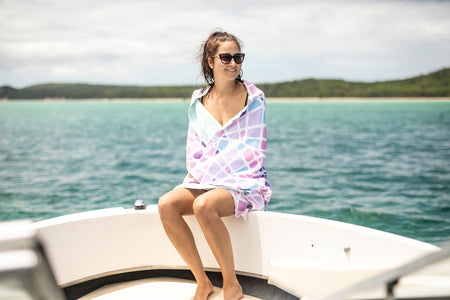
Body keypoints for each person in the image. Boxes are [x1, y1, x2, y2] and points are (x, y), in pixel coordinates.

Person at [158, 30, 271, 300]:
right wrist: (197, 178)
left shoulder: (253, 97)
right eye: (226, 57)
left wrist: (213, 175)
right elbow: (194, 149)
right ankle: (203, 281)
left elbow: (253, 150)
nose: (233, 63)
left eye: (238, 57)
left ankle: (231, 284)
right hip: (205, 179)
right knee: (166, 204)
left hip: (244, 182)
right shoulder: (198, 100)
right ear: (210, 61)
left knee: (204, 205)